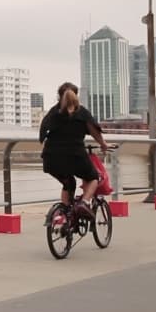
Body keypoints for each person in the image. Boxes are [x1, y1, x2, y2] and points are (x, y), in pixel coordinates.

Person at [39, 82, 110, 220]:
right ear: (76, 95)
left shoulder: (52, 113)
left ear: (59, 96)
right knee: (94, 177)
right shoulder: (81, 112)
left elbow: (43, 133)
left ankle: (64, 216)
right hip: (75, 156)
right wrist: (103, 144)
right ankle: (84, 203)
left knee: (68, 183)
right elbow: (94, 131)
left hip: (51, 158)